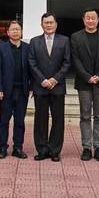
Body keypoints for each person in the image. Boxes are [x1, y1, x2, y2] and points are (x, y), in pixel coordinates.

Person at [70, 9, 99, 162]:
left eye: (93, 18)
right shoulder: (76, 37)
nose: (90, 20)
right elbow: (75, 59)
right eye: (87, 18)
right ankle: (86, 148)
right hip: (84, 82)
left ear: (98, 20)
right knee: (85, 116)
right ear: (83, 20)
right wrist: (87, 76)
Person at [28, 12, 71, 162]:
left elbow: (67, 63)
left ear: (56, 24)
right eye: (46, 23)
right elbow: (31, 62)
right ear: (41, 25)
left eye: (51, 22)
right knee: (40, 119)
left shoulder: (64, 40)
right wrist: (42, 80)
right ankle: (42, 149)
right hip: (40, 87)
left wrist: (54, 79)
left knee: (58, 119)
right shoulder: (34, 41)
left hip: (57, 87)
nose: (49, 25)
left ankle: (54, 150)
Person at [0, 21, 31, 159]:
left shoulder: (27, 48)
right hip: (6, 91)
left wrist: (31, 86)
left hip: (22, 90)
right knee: (4, 121)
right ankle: (2, 147)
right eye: (13, 30)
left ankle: (18, 147)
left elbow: (32, 69)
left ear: (21, 32)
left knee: (20, 121)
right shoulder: (1, 48)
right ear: (8, 32)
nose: (15, 32)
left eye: (18, 29)